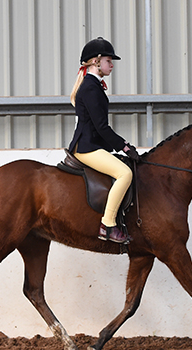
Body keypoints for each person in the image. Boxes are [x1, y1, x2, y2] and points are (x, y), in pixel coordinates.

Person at [69, 37, 140, 244]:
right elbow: (101, 127)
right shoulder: (90, 88)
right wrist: (124, 147)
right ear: (96, 62)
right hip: (86, 147)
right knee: (125, 174)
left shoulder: (93, 85)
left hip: (92, 144)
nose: (111, 65)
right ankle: (108, 225)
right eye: (109, 61)